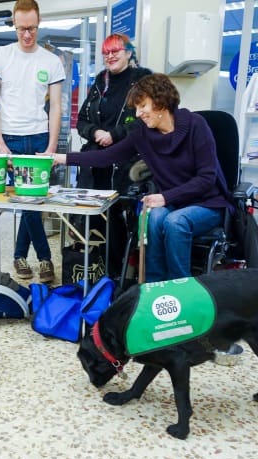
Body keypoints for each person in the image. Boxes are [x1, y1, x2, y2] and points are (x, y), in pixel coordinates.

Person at [51, 73, 234, 283]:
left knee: (175, 222)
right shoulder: (142, 134)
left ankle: (180, 290)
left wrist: (165, 198)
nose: (138, 114)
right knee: (154, 218)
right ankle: (153, 288)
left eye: (142, 106)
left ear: (160, 101)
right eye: (136, 108)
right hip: (175, 202)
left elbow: (206, 178)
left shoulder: (196, 125)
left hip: (208, 203)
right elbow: (106, 156)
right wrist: (59, 158)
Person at [0, 0, 65, 283]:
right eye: (21, 29)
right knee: (29, 202)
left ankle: (19, 256)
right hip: (11, 140)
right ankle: (45, 258)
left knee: (32, 201)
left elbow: (55, 107)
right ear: (14, 26)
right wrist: (0, 145)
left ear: (38, 24)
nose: (27, 35)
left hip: (40, 138)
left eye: (31, 28)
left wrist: (52, 146)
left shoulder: (51, 61)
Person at [74, 33, 151, 277]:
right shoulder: (100, 81)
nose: (110, 56)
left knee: (119, 225)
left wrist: (114, 135)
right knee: (94, 224)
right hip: (96, 164)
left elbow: (145, 121)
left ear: (129, 52)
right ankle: (96, 275)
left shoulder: (143, 80)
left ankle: (119, 278)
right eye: (106, 52)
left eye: (115, 51)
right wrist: (94, 131)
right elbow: (82, 120)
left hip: (126, 164)